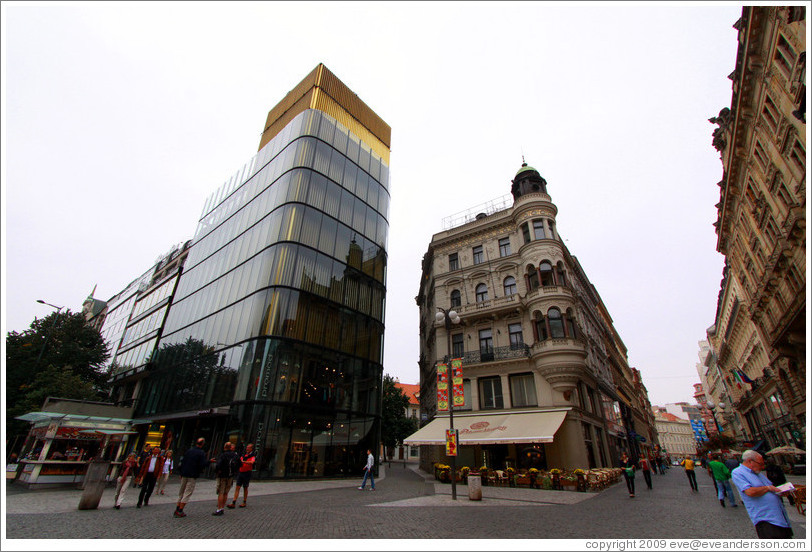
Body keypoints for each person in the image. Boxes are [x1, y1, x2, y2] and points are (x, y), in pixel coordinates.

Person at [731, 450, 793, 539]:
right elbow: (750, 492)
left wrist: (780, 492)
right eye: (760, 464)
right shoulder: (738, 473)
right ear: (750, 461)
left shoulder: (758, 473)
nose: (763, 467)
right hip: (766, 519)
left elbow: (770, 488)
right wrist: (768, 488)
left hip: (779, 517)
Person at [174, 438, 209, 518]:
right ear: (202, 444)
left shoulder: (189, 451)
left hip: (184, 473)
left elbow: (183, 461)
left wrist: (181, 472)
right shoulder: (201, 453)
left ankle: (177, 508)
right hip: (192, 475)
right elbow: (202, 464)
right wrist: (209, 462)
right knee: (188, 492)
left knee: (182, 492)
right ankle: (180, 510)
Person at [212, 442, 239, 516]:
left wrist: (217, 471)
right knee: (226, 493)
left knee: (221, 492)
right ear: (230, 447)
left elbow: (218, 465)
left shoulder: (223, 455)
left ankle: (219, 509)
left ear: (224, 447)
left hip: (223, 475)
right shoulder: (235, 455)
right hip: (230, 476)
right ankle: (222, 508)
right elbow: (239, 464)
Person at [228, 443, 256, 509]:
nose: (247, 449)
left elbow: (252, 462)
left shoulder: (252, 455)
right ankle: (234, 501)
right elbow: (240, 460)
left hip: (247, 473)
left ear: (251, 449)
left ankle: (244, 501)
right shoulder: (244, 455)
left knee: (245, 487)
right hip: (241, 472)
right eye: (247, 447)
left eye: (249, 447)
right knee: (238, 487)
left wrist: (243, 461)